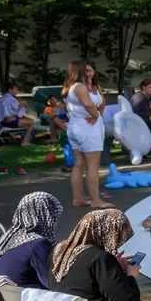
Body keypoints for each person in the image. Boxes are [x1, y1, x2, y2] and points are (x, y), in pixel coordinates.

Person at [0, 192, 63, 289]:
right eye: (53, 217)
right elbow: (52, 284)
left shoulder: (7, 239)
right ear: (45, 217)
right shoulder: (38, 244)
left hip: (0, 297)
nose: (55, 223)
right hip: (24, 297)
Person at [64, 60, 109, 209]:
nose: (87, 72)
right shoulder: (80, 87)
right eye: (85, 70)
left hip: (75, 125)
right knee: (93, 164)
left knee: (78, 163)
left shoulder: (69, 87)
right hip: (87, 126)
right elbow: (88, 104)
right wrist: (96, 116)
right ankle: (95, 200)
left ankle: (77, 198)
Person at [0, 82, 35, 147]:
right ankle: (25, 142)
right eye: (16, 89)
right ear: (10, 90)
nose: (17, 91)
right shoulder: (11, 99)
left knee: (26, 120)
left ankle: (26, 139)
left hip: (2, 122)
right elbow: (16, 113)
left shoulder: (2, 98)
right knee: (31, 122)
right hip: (10, 122)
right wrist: (21, 105)